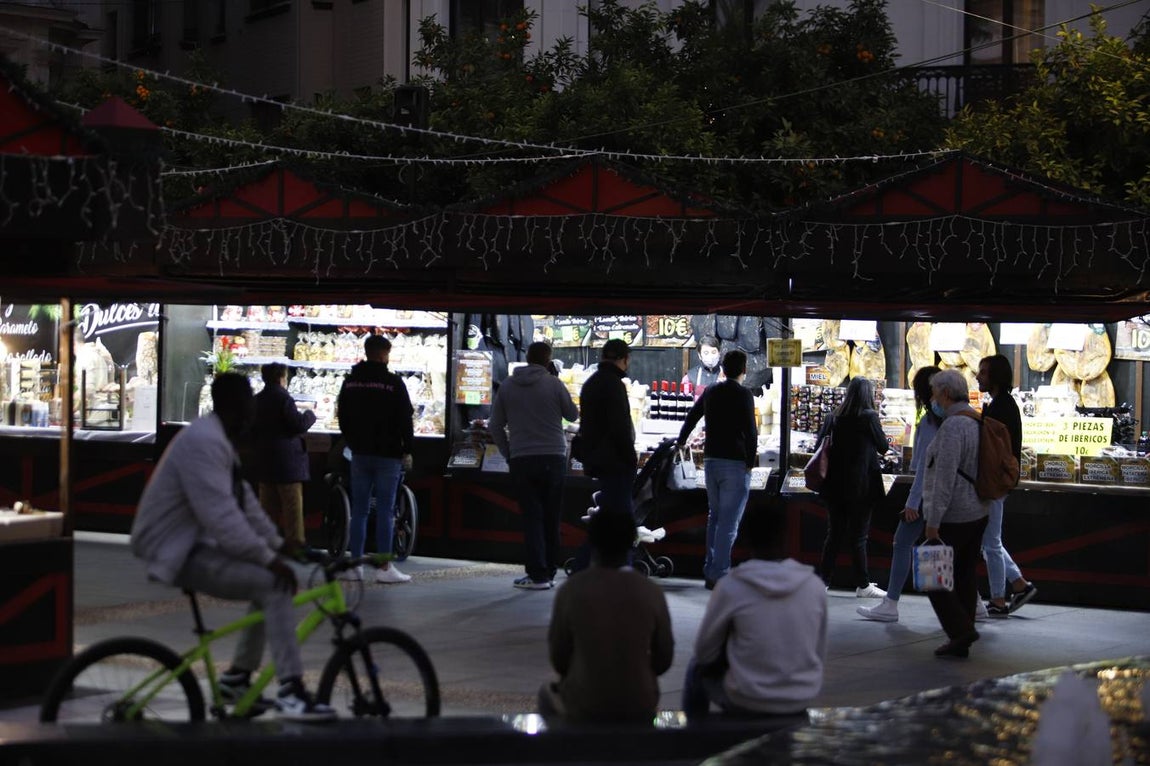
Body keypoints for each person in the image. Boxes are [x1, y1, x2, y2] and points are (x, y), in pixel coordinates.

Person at [130, 373, 334, 721]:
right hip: (175, 549)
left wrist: (283, 545)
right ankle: (291, 690)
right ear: (233, 407)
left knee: (266, 585)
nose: (252, 410)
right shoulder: (204, 443)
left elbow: (245, 505)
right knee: (274, 584)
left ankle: (237, 679)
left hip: (192, 542)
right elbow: (223, 518)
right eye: (248, 403)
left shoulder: (217, 438)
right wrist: (271, 560)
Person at [682, 508, 826, 717]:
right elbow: (819, 652)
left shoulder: (731, 586)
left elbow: (704, 652)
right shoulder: (814, 586)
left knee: (695, 667)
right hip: (800, 696)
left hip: (746, 698)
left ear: (744, 539)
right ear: (786, 537)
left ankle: (695, 737)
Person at [538, 510, 674, 723]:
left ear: (591, 541)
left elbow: (559, 659)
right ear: (632, 542)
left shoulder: (572, 590)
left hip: (586, 705)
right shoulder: (651, 591)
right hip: (639, 703)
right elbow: (664, 658)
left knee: (545, 692)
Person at [489, 341, 580, 590]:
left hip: (522, 459)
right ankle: (549, 571)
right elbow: (573, 415)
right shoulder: (553, 383)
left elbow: (494, 425)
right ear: (548, 360)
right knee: (552, 516)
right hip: (554, 457)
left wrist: (509, 453)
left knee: (532, 518)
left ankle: (537, 573)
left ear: (527, 358)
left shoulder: (508, 386)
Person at [858, 366, 942, 623]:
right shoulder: (956, 419)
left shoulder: (929, 421)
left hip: (927, 496)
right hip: (950, 496)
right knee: (951, 549)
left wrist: (912, 502)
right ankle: (972, 605)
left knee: (903, 542)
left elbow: (925, 468)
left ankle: (891, 603)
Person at [922, 368, 990, 658]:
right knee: (963, 574)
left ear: (946, 394)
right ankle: (963, 635)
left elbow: (944, 477)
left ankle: (960, 630)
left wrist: (933, 522)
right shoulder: (975, 420)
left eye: (935, 394)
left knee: (931, 573)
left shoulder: (952, 427)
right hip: (978, 511)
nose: (933, 400)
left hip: (954, 514)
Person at [337, 334, 414, 584]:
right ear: (383, 354)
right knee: (385, 511)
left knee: (358, 511)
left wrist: (353, 441)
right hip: (388, 455)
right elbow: (405, 418)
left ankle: (356, 565)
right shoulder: (392, 383)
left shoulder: (350, 382)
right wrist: (407, 449)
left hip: (359, 454)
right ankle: (384, 567)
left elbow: (343, 417)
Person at [678, 349, 758, 589]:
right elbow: (751, 431)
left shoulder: (712, 390)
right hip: (734, 463)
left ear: (722, 368)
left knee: (715, 517)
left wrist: (681, 441)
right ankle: (720, 574)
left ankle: (711, 568)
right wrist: (750, 463)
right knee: (728, 523)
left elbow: (692, 416)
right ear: (744, 370)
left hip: (711, 462)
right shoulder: (744, 394)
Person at [813, 376, 888, 598]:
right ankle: (863, 585)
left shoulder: (833, 417)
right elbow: (883, 447)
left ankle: (823, 581)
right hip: (861, 487)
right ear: (868, 395)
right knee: (858, 537)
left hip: (834, 486)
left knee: (834, 535)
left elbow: (819, 446)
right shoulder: (869, 417)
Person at [977, 354, 1038, 616]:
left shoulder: (1001, 408)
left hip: (994, 482)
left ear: (995, 377)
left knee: (990, 543)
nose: (978, 377)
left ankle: (999, 599)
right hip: (998, 482)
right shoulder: (1002, 404)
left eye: (983, 372)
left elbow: (992, 450)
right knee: (990, 541)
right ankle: (1019, 584)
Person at [570, 338, 637, 572]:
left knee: (609, 516)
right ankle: (619, 566)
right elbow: (619, 428)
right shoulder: (613, 385)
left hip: (598, 459)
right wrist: (631, 459)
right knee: (620, 518)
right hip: (615, 462)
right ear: (624, 359)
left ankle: (585, 566)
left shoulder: (592, 383)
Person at [251, 363, 316, 550]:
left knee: (267, 508)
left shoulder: (257, 400)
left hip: (265, 461)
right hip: (287, 463)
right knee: (292, 508)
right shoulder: (283, 398)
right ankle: (295, 547)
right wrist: (310, 414)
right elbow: (298, 424)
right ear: (282, 378)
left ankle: (267, 546)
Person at [681, 335, 722, 400]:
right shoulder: (690, 377)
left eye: (713, 352)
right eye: (706, 353)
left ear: (719, 353)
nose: (710, 356)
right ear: (700, 355)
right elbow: (685, 402)